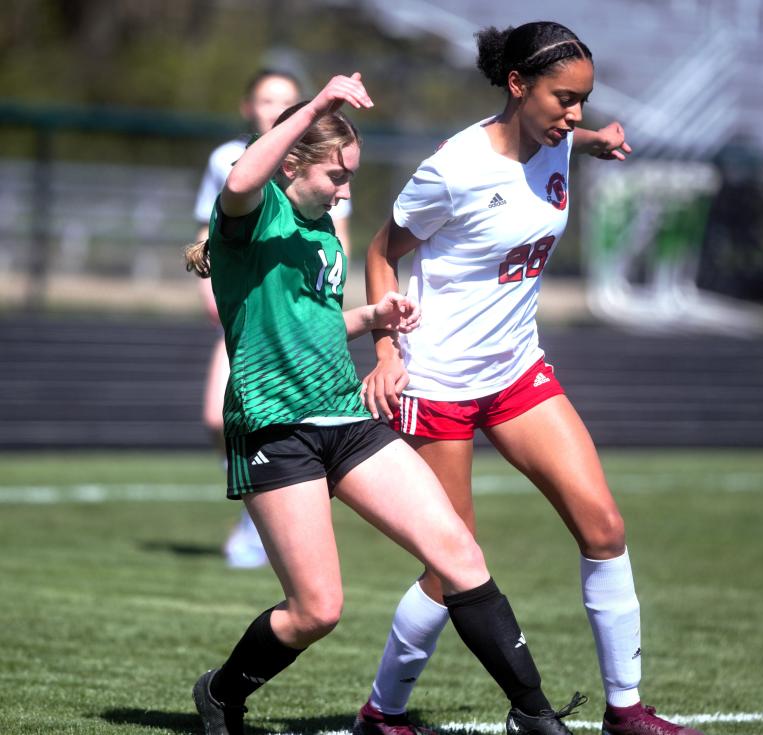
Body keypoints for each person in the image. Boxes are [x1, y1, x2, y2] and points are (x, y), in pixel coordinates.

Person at [184, 72, 583, 735]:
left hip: (345, 419)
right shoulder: (252, 219)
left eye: (352, 180)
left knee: (459, 553)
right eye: (336, 177)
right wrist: (316, 105)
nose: (346, 192)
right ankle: (221, 694)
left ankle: (534, 713)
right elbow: (237, 180)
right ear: (292, 163)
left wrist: (371, 315)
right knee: (316, 609)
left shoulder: (319, 238)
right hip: (276, 430)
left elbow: (312, 324)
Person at [358, 22, 703, 735]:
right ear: (518, 86)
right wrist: (388, 354)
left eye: (583, 100)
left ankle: (627, 710)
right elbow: (383, 251)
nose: (573, 113)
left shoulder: (555, 142)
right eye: (563, 99)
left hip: (517, 370)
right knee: (451, 565)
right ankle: (382, 712)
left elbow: (554, 145)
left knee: (603, 525)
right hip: (438, 382)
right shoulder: (452, 169)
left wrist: (594, 140)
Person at [193, 69, 354, 568]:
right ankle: (259, 507)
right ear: (248, 107)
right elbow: (220, 213)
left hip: (296, 316)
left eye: (286, 101)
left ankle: (266, 513)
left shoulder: (321, 175)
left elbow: (336, 235)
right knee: (215, 417)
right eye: (266, 99)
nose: (273, 108)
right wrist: (207, 279)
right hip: (248, 312)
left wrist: (342, 300)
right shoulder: (233, 162)